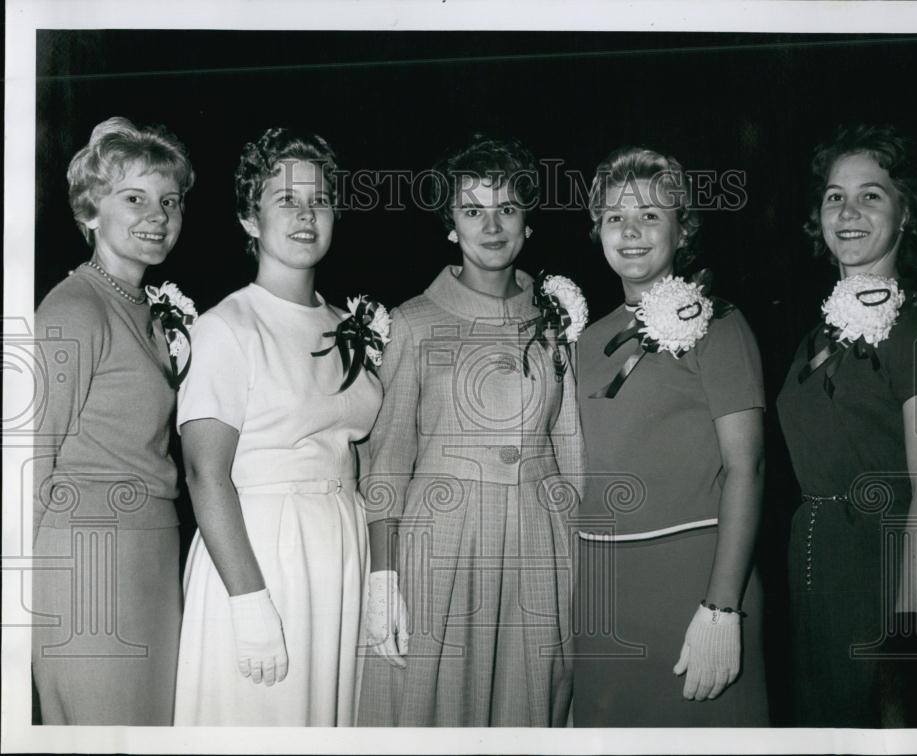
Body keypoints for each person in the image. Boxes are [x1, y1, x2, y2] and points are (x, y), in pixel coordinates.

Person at [356, 135, 580, 726]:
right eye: (472, 209)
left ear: (528, 222)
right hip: (441, 545)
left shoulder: (555, 324)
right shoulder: (413, 322)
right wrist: (383, 575)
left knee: (529, 706)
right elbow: (386, 461)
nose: (491, 225)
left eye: (507, 208)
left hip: (536, 545)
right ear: (450, 225)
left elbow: (573, 447)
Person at [172, 128, 381, 726]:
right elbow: (203, 473)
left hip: (338, 547)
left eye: (318, 199)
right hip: (260, 552)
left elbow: (354, 451)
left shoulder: (351, 327)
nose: (306, 214)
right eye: (285, 199)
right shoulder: (227, 327)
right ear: (248, 218)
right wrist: (250, 602)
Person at [572, 146, 769, 726]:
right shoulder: (585, 339)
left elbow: (746, 469)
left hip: (694, 582)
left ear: (683, 231)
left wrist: (721, 607)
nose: (630, 232)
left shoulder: (720, 323)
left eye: (651, 215)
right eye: (614, 217)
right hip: (604, 592)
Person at [776, 124, 917, 727]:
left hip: (880, 576)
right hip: (812, 576)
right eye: (835, 196)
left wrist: (906, 636)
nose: (848, 211)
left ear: (906, 214)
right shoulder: (813, 337)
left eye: (871, 195)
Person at [32, 116, 195, 724]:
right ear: (91, 210)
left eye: (170, 201)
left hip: (148, 557)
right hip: (90, 564)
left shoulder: (143, 307)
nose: (158, 215)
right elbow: (25, 460)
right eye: (135, 198)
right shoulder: (75, 308)